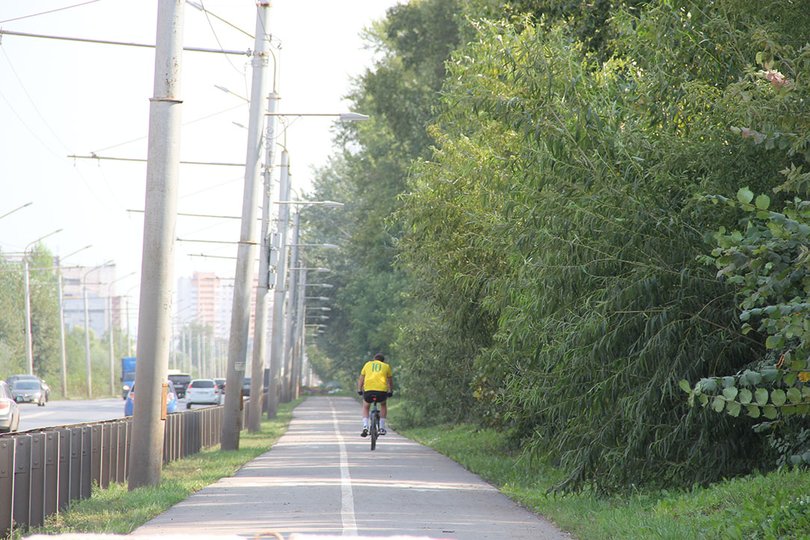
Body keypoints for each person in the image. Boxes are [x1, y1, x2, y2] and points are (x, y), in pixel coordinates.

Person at [357, 353, 393, 437]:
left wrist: (359, 389)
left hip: (368, 391)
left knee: (366, 406)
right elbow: (390, 381)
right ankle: (382, 427)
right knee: (383, 404)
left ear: (374, 359)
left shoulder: (367, 364)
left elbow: (361, 379)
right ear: (382, 361)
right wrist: (390, 390)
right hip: (381, 392)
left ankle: (365, 426)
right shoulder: (386, 366)